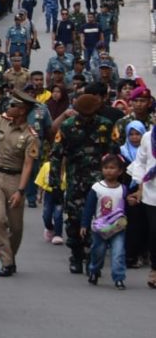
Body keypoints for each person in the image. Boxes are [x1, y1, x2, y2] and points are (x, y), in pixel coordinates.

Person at [50, 93, 115, 275]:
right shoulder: (68, 126)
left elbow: (114, 154)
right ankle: (76, 255)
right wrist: (55, 185)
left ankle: (94, 256)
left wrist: (118, 181)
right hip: (76, 180)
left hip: (101, 183)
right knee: (75, 219)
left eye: (90, 115)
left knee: (101, 220)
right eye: (83, 115)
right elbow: (56, 156)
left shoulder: (105, 125)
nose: (87, 118)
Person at [0, 89, 40, 277]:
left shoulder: (31, 135)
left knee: (16, 228)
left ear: (22, 110)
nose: (10, 107)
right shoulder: (1, 121)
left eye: (14, 105)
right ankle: (6, 262)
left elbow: (27, 165)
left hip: (15, 180)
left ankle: (10, 257)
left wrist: (21, 191)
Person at [82, 154, 130, 289]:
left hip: (118, 228)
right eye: (106, 168)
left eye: (112, 168)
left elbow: (125, 207)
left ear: (120, 171)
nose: (109, 170)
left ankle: (119, 278)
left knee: (118, 252)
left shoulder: (123, 189)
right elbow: (89, 207)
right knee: (98, 251)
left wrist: (130, 202)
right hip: (100, 228)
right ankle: (94, 271)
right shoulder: (97, 187)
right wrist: (84, 224)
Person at [126, 120, 156, 289]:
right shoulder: (148, 137)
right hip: (152, 194)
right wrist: (139, 187)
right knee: (154, 231)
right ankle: (155, 268)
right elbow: (141, 163)